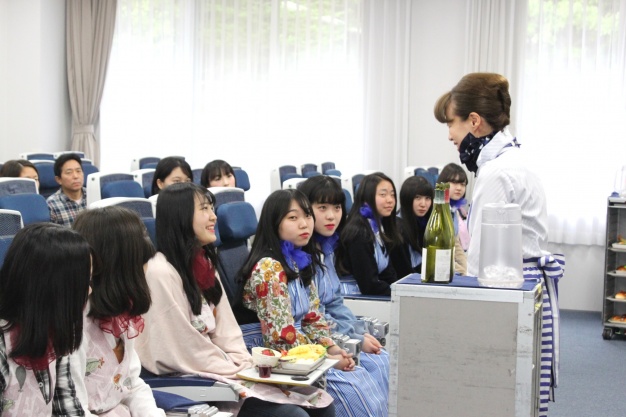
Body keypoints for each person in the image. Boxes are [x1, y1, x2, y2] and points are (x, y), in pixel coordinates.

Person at [135, 183, 334, 417]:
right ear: (181, 216)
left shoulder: (204, 264)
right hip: (189, 377)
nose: (213, 216)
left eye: (212, 208)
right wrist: (231, 367)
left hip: (222, 367)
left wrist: (242, 362)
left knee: (322, 405)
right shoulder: (159, 272)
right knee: (292, 415)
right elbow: (178, 348)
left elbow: (227, 330)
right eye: (204, 209)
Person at [434, 72, 564, 417]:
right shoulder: (514, 159)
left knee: (498, 396)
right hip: (526, 286)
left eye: (451, 123)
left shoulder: (495, 173)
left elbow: (480, 259)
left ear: (474, 121)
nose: (449, 135)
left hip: (506, 291)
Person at [239, 189, 388, 417]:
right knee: (352, 391)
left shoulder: (298, 260)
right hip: (274, 354)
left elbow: (313, 318)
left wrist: (334, 348)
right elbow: (280, 336)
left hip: (303, 349)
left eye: (307, 216)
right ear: (274, 223)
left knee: (362, 377)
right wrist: (326, 360)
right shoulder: (269, 267)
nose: (304, 224)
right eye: (293, 217)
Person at [298, 176, 390, 394]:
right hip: (312, 340)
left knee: (384, 360)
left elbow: (335, 302)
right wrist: (354, 337)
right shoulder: (301, 257)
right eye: (322, 208)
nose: (331, 216)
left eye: (337, 207)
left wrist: (357, 332)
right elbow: (314, 314)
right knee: (365, 375)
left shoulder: (326, 248)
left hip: (332, 333)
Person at [72, 207, 165, 416]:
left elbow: (131, 384)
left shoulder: (119, 312)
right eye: (141, 261)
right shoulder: (74, 324)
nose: (146, 269)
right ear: (120, 265)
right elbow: (74, 409)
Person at [0, 223, 92, 416]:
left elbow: (67, 407)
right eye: (84, 282)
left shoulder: (53, 330)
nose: (90, 290)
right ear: (55, 289)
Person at [336, 172, 402, 295]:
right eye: (383, 195)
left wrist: (400, 290)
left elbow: (387, 273)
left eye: (392, 195)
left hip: (372, 293)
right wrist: (399, 295)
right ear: (366, 198)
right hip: (355, 296)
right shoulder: (359, 233)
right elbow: (369, 285)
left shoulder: (378, 226)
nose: (390, 200)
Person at [392, 175, 434, 277]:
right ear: (407, 198)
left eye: (427, 198)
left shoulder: (425, 223)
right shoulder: (398, 228)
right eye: (417, 197)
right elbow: (404, 272)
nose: (423, 204)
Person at [437, 162, 470, 252]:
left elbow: (455, 243)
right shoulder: (436, 208)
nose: (459, 188)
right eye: (454, 183)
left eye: (463, 184)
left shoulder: (455, 209)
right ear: (443, 183)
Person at [46, 153, 87, 226]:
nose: (75, 176)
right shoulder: (51, 205)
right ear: (59, 179)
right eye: (69, 172)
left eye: (78, 171)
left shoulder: (94, 195)